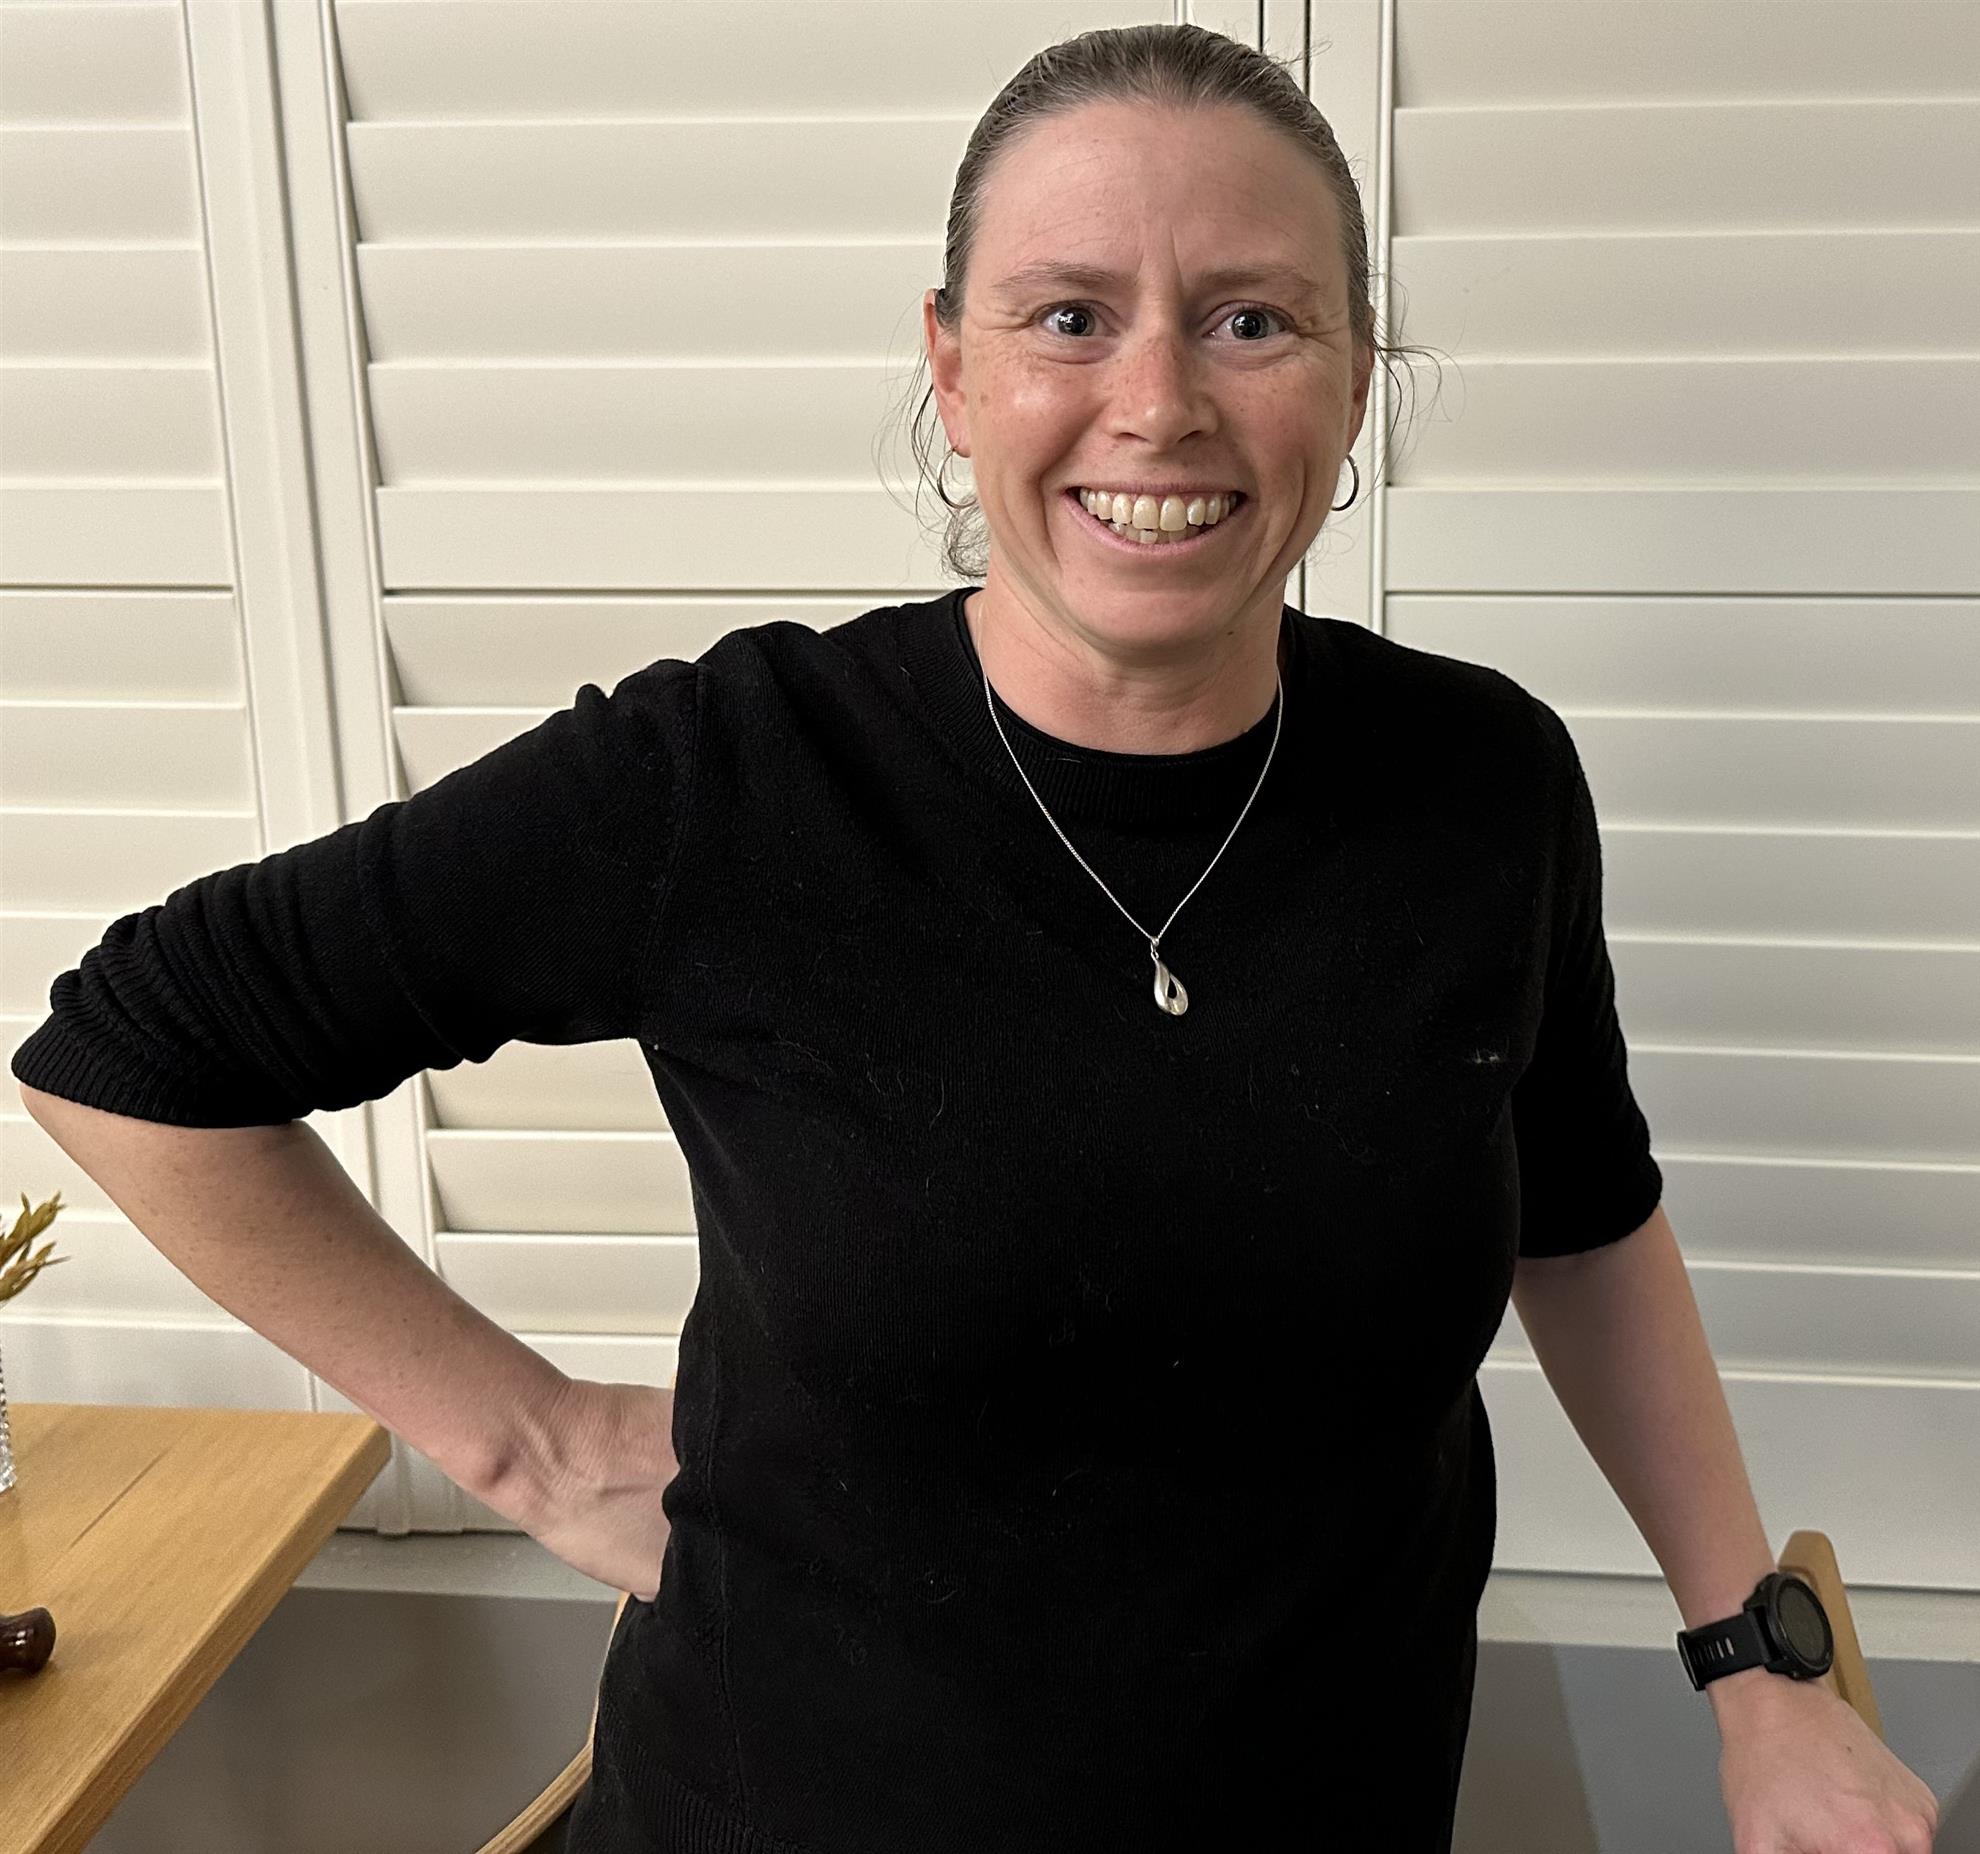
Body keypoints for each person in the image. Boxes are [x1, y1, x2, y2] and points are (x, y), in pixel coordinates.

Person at [12, 23, 1941, 1854]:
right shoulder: (730, 783)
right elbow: (134, 1047)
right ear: (950, 368)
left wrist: (1752, 1661)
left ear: (1357, 378)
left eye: (1252, 319)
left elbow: (1582, 1216)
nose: (1159, 402)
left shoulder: (1482, 780)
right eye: (1069, 316)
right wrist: (530, 1445)